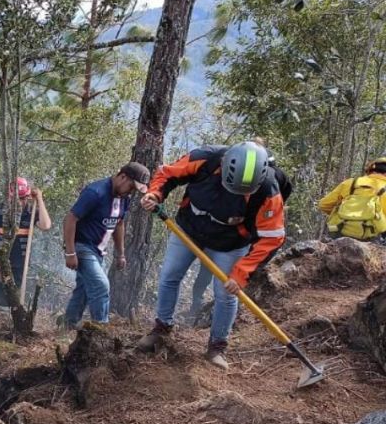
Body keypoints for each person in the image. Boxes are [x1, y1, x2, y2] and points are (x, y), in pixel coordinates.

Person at [135, 141, 286, 370]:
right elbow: (168, 174)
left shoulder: (268, 190)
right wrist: (155, 194)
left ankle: (217, 346)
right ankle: (161, 329)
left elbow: (272, 237)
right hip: (189, 229)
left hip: (230, 243)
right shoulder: (204, 158)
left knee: (226, 294)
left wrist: (241, 273)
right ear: (224, 165)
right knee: (169, 276)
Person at [188, 145, 294, 322]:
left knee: (240, 271)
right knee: (208, 268)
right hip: (232, 231)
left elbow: (281, 201)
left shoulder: (275, 180)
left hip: (257, 230)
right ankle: (197, 304)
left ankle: (228, 305)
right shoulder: (238, 176)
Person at [61, 162, 151, 328]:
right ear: (123, 177)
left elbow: (119, 224)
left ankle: (67, 326)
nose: (131, 192)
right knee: (101, 285)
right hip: (82, 247)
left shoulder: (124, 198)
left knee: (83, 291)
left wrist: (121, 254)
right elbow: (70, 218)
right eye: (131, 186)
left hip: (98, 252)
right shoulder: (95, 192)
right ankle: (101, 331)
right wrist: (70, 252)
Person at [0, 177, 52, 310]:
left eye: (24, 198)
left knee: (12, 304)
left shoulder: (30, 213)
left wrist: (40, 199)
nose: (21, 202)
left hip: (19, 267)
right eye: (17, 199)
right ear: (9, 197)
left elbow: (46, 225)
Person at [318, 156, 386, 243]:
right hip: (373, 238)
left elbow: (323, 205)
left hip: (339, 232)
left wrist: (342, 213)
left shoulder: (350, 183)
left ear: (370, 170)